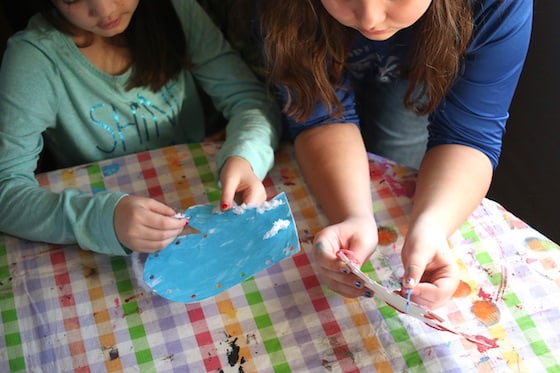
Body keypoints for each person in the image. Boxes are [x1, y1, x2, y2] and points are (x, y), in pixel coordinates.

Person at [253, 0, 532, 309]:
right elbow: (319, 114)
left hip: (422, 65)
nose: (370, 18)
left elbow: (467, 134)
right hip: (313, 38)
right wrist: (353, 214)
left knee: (397, 149)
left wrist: (434, 224)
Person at [0, 0, 280, 256]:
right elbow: (6, 190)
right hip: (100, 233)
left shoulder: (177, 10)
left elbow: (250, 100)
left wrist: (246, 156)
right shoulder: (34, 59)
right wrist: (101, 219)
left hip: (193, 195)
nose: (105, 10)